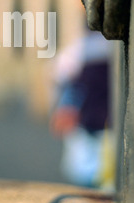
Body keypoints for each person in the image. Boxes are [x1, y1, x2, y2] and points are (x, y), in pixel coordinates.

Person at [49, 27, 115, 190]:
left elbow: (65, 82)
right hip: (99, 125)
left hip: (95, 125)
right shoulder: (82, 50)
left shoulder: (77, 50)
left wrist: (65, 107)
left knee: (92, 177)